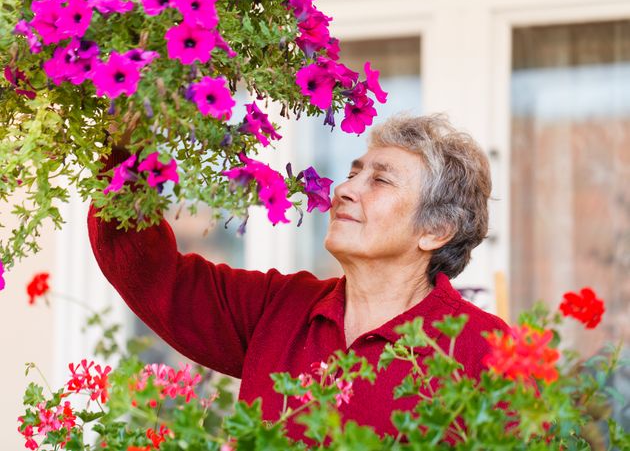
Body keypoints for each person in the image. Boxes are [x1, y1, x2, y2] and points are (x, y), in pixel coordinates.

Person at [88, 113, 509, 440]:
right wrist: (125, 151)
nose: (344, 190)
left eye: (379, 180)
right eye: (352, 173)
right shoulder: (277, 307)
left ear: (435, 230)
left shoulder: (486, 351)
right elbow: (151, 274)